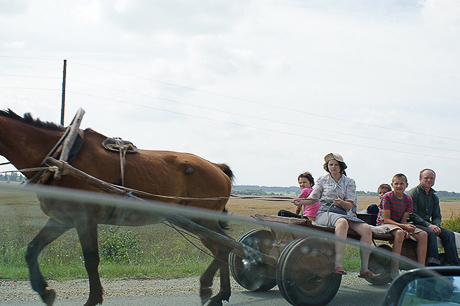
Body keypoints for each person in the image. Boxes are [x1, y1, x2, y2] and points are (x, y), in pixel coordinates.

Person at [293, 153, 379, 279]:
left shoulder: (349, 182)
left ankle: (364, 269)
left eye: (336, 164)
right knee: (342, 222)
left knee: (366, 229)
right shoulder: (322, 180)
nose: (333, 167)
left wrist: (342, 202)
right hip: (325, 212)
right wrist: (300, 201)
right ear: (327, 167)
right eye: (330, 165)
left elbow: (349, 205)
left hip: (343, 212)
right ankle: (338, 263)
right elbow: (313, 199)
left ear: (341, 167)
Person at [375, 174, 428, 279]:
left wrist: (406, 228)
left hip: (399, 224)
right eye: (396, 184)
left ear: (406, 185)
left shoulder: (408, 199)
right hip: (384, 224)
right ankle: (394, 270)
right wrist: (403, 228)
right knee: (399, 234)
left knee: (423, 234)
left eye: (402, 184)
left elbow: (404, 220)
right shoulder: (387, 197)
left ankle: (421, 269)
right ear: (392, 185)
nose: (399, 186)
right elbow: (386, 219)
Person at [408, 169, 460, 266]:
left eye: (431, 178)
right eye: (426, 178)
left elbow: (437, 215)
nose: (429, 180)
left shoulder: (434, 196)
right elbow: (411, 214)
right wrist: (429, 225)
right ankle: (433, 262)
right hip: (413, 223)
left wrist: (436, 225)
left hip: (428, 224)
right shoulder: (414, 193)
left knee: (449, 234)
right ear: (420, 179)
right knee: (430, 233)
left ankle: (454, 264)